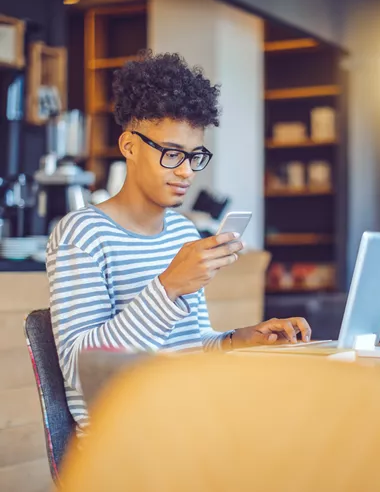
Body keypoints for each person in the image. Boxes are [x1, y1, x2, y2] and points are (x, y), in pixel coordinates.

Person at [46, 51, 311, 432]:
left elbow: (188, 345)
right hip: (123, 442)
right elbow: (81, 369)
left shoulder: (183, 233)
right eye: (172, 154)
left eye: (194, 156)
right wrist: (169, 286)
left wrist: (240, 339)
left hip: (186, 422)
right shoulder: (82, 234)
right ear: (129, 146)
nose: (186, 171)